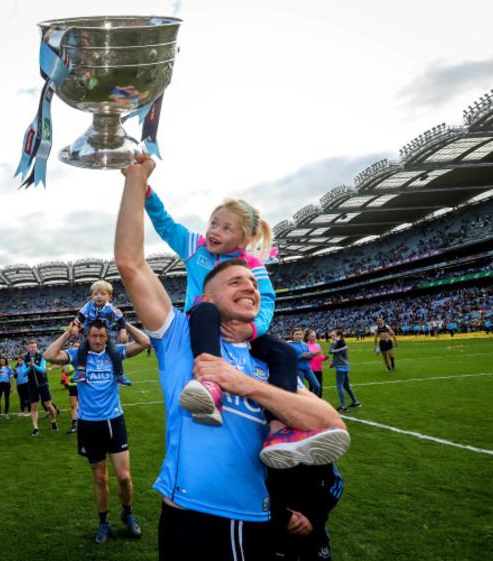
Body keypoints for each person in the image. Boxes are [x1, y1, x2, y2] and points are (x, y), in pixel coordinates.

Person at [115, 155, 349, 559]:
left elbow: (332, 424)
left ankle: (278, 428)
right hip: (185, 516)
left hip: (252, 521)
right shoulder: (179, 338)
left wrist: (241, 383)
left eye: (251, 281)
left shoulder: (266, 362)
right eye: (234, 280)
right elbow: (131, 264)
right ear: (207, 295)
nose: (249, 285)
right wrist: (138, 180)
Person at [143, 171, 347, 467]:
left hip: (242, 331)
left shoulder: (252, 264)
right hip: (202, 325)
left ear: (245, 239)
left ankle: (279, 428)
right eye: (214, 222)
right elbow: (164, 223)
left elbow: (267, 302)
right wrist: (146, 192)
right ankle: (210, 388)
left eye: (226, 228)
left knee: (286, 352)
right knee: (205, 309)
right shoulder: (194, 246)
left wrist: (250, 330)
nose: (215, 230)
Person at [44, 319, 150, 545]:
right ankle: (104, 523)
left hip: (114, 421)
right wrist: (68, 333)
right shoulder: (77, 355)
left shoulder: (116, 353)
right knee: (100, 478)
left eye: (102, 336)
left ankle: (127, 515)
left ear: (107, 336)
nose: (99, 340)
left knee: (124, 477)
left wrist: (124, 323)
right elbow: (48, 355)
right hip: (89, 424)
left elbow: (144, 341)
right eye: (94, 336)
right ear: (87, 336)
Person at [267, 462, 343, 560]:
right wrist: (285, 517)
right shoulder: (270, 449)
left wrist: (313, 518)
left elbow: (336, 483)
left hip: (314, 529)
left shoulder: (318, 450)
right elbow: (258, 487)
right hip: (279, 529)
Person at [70, 280, 132, 387]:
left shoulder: (110, 308)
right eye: (96, 294)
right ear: (91, 296)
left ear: (109, 297)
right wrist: (76, 327)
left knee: (114, 352)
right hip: (90, 336)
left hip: (105, 338)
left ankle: (119, 375)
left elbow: (121, 320)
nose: (99, 297)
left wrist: (123, 332)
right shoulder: (89, 306)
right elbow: (80, 317)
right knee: (82, 349)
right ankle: (80, 372)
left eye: (103, 294)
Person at [17, 341, 57, 436]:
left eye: (34, 347)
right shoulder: (25, 358)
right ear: (28, 348)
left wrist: (33, 365)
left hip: (43, 384)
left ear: (37, 347)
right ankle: (35, 428)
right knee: (33, 406)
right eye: (31, 347)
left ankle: (53, 420)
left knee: (48, 404)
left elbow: (43, 370)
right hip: (32, 385)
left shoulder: (41, 356)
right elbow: (23, 373)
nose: (33, 349)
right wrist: (30, 367)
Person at [329, 330, 360, 413]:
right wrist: (333, 361)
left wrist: (334, 342)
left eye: (333, 335)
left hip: (341, 367)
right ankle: (355, 402)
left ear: (339, 336)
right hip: (345, 366)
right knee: (346, 385)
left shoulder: (340, 344)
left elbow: (331, 351)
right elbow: (337, 354)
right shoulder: (342, 343)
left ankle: (343, 406)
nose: (332, 337)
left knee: (339, 385)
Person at [290, 327, 322, 397]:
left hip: (307, 368)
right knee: (302, 390)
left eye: (300, 334)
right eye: (297, 334)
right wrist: (301, 356)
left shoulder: (304, 344)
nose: (298, 336)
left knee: (317, 386)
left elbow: (309, 357)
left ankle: (315, 402)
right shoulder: (290, 345)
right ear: (293, 335)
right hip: (298, 369)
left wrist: (312, 355)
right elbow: (290, 359)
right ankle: (302, 405)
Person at [304, 329, 329, 399]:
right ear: (307, 337)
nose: (314, 338)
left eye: (314, 336)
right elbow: (306, 357)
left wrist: (324, 358)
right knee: (312, 386)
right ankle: (312, 401)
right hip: (311, 369)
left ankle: (319, 401)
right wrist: (312, 354)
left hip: (319, 369)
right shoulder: (305, 346)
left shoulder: (318, 345)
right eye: (312, 337)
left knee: (320, 386)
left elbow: (320, 357)